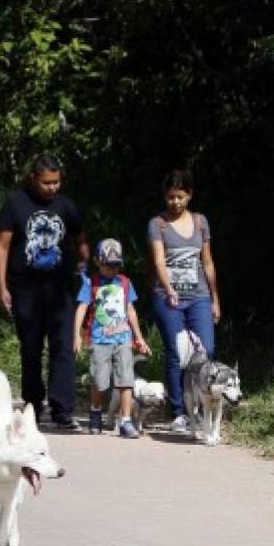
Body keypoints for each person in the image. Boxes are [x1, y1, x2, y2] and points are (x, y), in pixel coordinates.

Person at [0, 154, 90, 430]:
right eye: (47, 182)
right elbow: (2, 246)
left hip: (60, 291)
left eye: (56, 182)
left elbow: (80, 238)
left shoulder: (66, 206)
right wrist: (2, 287)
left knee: (63, 349)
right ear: (33, 178)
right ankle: (33, 404)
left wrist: (84, 260)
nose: (52, 188)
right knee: (31, 348)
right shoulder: (16, 203)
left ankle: (63, 409)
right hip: (25, 289)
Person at [148, 169, 221, 432]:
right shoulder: (158, 225)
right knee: (177, 353)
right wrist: (168, 288)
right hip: (168, 298)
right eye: (170, 197)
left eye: (180, 197)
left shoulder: (201, 222)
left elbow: (208, 263)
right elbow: (158, 261)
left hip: (199, 296)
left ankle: (200, 407)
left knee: (206, 351)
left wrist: (215, 300)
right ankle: (179, 411)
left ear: (189, 195)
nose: (175, 202)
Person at [73, 238, 151, 437]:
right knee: (100, 382)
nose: (112, 269)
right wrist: (77, 336)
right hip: (100, 340)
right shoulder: (91, 283)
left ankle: (125, 421)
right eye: (108, 265)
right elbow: (82, 308)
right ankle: (95, 412)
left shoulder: (124, 282)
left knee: (126, 381)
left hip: (123, 338)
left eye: (116, 265)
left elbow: (130, 310)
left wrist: (139, 337)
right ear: (98, 262)